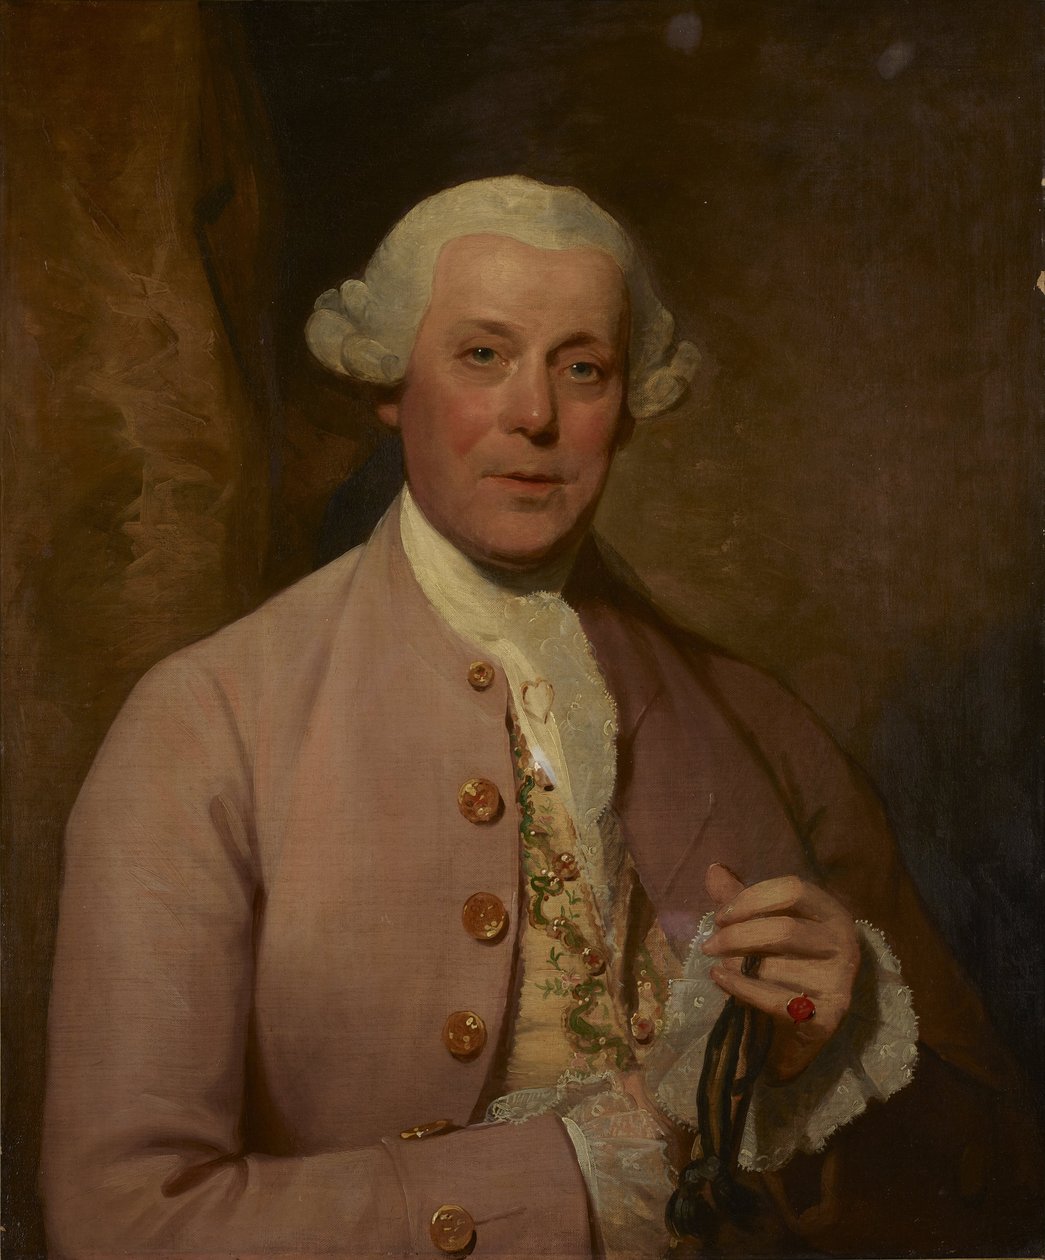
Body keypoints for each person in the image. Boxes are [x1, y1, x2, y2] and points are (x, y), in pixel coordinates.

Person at [42, 177, 1039, 1259]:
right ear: (391, 382)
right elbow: (121, 1220)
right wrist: (569, 1178)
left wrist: (832, 1052)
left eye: (581, 368)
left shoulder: (761, 725)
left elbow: (995, 1180)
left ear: (629, 404)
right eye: (483, 354)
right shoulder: (204, 725)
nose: (534, 415)